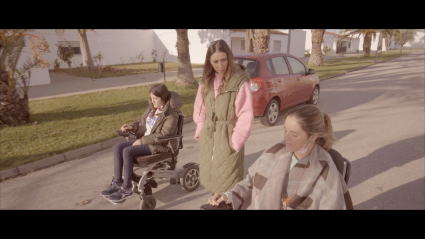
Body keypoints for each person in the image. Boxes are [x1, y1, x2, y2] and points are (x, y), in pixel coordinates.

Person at [206, 104, 354, 210]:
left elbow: (332, 204)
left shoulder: (326, 170)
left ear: (313, 136)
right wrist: (229, 196)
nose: (286, 138)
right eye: (285, 130)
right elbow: (250, 182)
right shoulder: (274, 152)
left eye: (294, 134)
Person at [100, 84, 182, 203]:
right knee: (118, 147)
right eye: (151, 98)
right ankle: (117, 183)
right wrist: (131, 126)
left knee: (127, 151)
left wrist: (141, 141)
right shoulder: (153, 109)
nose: (152, 101)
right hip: (147, 140)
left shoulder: (171, 114)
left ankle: (126, 189)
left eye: (155, 99)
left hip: (161, 145)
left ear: (163, 98)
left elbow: (164, 135)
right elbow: (143, 123)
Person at [193, 39, 254, 196]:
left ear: (230, 57)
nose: (220, 65)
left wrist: (235, 142)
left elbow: (246, 114)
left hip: (228, 138)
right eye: (215, 61)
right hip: (209, 138)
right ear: (209, 62)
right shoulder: (206, 81)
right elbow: (200, 107)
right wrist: (201, 127)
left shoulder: (239, 82)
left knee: (229, 187)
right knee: (212, 181)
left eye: (223, 60)